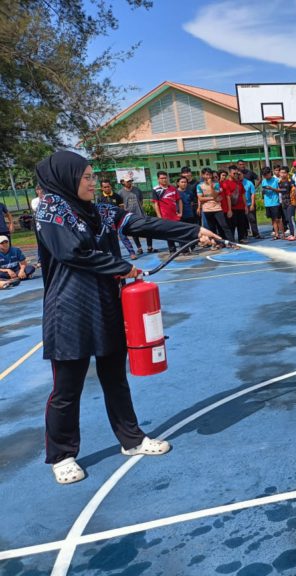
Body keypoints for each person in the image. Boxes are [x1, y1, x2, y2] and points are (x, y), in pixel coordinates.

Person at [34, 151, 219, 484]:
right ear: (67, 178)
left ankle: (131, 439)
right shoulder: (51, 210)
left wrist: (192, 232)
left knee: (114, 377)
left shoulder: (101, 210)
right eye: (86, 177)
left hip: (107, 302)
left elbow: (142, 223)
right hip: (69, 310)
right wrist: (124, 267)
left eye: (93, 177)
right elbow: (71, 252)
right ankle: (62, 455)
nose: (93, 183)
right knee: (67, 387)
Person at [100, 179, 137, 259]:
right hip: (108, 223)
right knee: (110, 240)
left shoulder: (117, 196)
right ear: (102, 188)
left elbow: (122, 208)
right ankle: (115, 256)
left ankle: (132, 253)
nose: (107, 188)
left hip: (119, 221)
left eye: (108, 187)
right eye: (105, 187)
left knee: (123, 236)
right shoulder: (100, 198)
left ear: (111, 186)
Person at [197, 168, 232, 244]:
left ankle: (231, 242)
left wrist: (211, 186)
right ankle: (216, 243)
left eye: (209, 174)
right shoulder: (199, 186)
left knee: (223, 226)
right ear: (203, 175)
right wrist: (212, 198)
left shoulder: (216, 184)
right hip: (207, 210)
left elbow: (215, 194)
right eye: (206, 174)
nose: (208, 176)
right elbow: (200, 198)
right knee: (212, 228)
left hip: (217, 208)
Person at [151, 171, 183, 254]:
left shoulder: (173, 188)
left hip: (175, 216)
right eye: (162, 178)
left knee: (179, 232)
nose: (164, 180)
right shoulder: (156, 190)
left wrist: (180, 212)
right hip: (165, 216)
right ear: (158, 179)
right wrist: (159, 216)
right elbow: (156, 204)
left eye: (165, 178)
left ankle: (184, 249)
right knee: (169, 234)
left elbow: (179, 200)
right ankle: (172, 250)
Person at [119, 178, 152, 254]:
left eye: (130, 181)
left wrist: (139, 208)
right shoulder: (120, 192)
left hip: (140, 214)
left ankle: (149, 247)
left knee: (147, 230)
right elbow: (121, 205)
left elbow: (141, 200)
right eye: (127, 181)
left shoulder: (137, 190)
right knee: (134, 232)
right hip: (129, 216)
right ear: (123, 182)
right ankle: (139, 248)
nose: (129, 182)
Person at [261, 167, 284, 240]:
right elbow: (263, 191)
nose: (265, 176)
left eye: (266, 174)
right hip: (267, 203)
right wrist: (263, 191)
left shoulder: (276, 180)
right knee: (273, 220)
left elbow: (281, 190)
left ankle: (283, 234)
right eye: (264, 175)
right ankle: (277, 234)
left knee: (278, 219)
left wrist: (272, 188)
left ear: (270, 173)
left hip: (275, 202)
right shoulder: (264, 181)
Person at [277, 166, 296, 241]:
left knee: (291, 218)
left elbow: (291, 189)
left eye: (284, 172)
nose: (282, 174)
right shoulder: (279, 182)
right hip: (284, 203)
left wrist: (294, 191)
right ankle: (291, 233)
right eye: (281, 172)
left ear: (287, 173)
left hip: (290, 203)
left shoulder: (290, 181)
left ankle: (293, 235)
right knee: (287, 219)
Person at [242, 169, 262, 239]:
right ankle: (244, 235)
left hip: (249, 203)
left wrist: (252, 204)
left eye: (241, 174)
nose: (239, 176)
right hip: (241, 205)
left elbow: (253, 194)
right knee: (243, 221)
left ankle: (256, 233)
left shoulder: (249, 183)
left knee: (252, 219)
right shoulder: (237, 183)